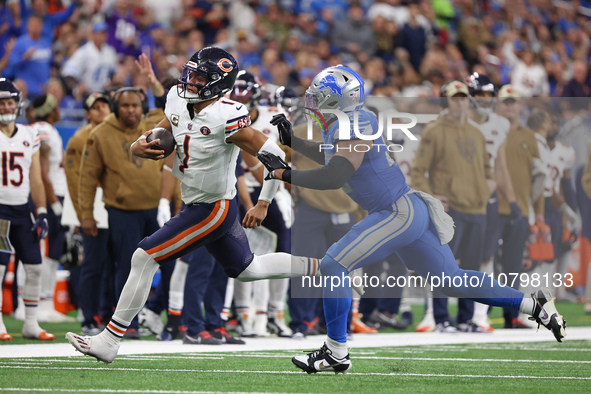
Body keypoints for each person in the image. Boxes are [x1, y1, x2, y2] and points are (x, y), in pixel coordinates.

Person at [257, 65, 566, 374]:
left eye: (320, 96)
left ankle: (336, 352)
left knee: (333, 264)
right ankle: (534, 305)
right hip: (405, 211)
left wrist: (283, 173)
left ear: (341, 100)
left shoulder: (355, 121)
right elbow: (334, 156)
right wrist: (294, 144)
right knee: (453, 280)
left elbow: (335, 174)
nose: (313, 101)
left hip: (395, 212)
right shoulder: (350, 121)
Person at [66, 47, 320, 363]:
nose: (190, 80)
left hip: (212, 207)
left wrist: (264, 202)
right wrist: (139, 144)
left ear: (217, 83)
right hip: (198, 203)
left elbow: (274, 157)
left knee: (144, 256)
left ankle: (109, 339)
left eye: (199, 76)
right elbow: (165, 126)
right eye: (190, 72)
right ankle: (325, 267)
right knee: (248, 269)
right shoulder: (178, 98)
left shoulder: (227, 115)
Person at [412, 80, 494, 334]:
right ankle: (442, 318)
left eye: (463, 98)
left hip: (477, 209)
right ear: (445, 101)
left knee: (471, 267)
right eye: (454, 98)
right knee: (443, 266)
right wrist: (432, 199)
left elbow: (489, 172)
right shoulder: (434, 131)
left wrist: (483, 191)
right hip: (449, 210)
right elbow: (418, 171)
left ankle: (466, 319)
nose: (459, 102)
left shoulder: (477, 133)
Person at [0, 78, 55, 341]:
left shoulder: (28, 134)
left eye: (9, 101)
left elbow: (35, 177)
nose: (6, 107)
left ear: (18, 103)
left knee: (34, 266)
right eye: (1, 103)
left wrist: (42, 211)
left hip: (22, 210)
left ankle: (30, 323)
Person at [64, 92, 112, 335]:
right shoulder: (80, 138)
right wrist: (83, 213)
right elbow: (74, 181)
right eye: (96, 107)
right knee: (93, 264)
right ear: (87, 113)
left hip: (113, 206)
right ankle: (88, 317)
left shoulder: (114, 133)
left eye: (105, 105)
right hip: (93, 208)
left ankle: (108, 315)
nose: (102, 110)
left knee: (113, 264)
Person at [32, 93, 73, 323]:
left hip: (56, 193)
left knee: (54, 251)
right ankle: (42, 302)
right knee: (48, 251)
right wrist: (55, 204)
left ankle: (45, 302)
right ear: (49, 110)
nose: (59, 110)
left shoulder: (47, 129)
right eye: (55, 107)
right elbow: (42, 171)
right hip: (51, 195)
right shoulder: (43, 130)